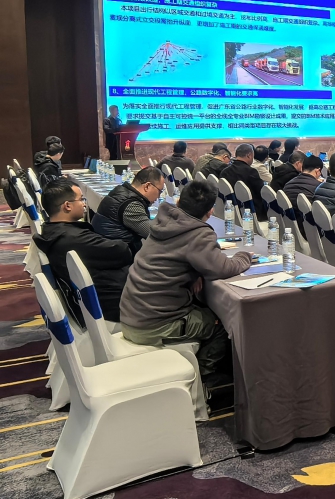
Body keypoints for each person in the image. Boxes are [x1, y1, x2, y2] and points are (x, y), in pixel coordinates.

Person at [120, 180, 252, 387]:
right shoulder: (197, 233)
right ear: (210, 212)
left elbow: (179, 256)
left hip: (132, 314)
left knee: (205, 308)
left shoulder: (162, 222)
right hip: (154, 326)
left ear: (178, 201)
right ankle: (205, 381)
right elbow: (222, 268)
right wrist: (244, 256)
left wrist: (195, 271)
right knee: (222, 323)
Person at [35, 181, 133, 323]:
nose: (84, 204)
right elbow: (124, 251)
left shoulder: (52, 231)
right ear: (67, 206)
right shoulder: (74, 239)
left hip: (96, 299)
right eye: (81, 199)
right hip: (113, 306)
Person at [91, 166, 164, 254]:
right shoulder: (131, 205)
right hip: (115, 255)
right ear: (147, 186)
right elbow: (154, 234)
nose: (159, 197)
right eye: (160, 191)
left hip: (106, 249)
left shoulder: (121, 191)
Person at [220, 143, 267, 220]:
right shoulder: (251, 172)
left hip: (230, 211)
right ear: (249, 155)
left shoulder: (225, 171)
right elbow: (262, 192)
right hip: (251, 213)